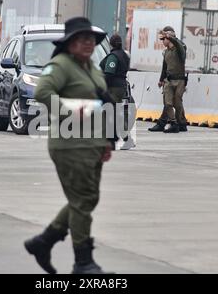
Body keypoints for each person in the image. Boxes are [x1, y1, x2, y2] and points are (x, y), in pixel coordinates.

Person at [24, 17, 113, 274]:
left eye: (92, 39)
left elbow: (100, 104)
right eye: (82, 38)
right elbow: (42, 92)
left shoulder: (92, 68)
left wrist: (106, 140)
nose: (88, 43)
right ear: (70, 43)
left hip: (92, 143)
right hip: (70, 144)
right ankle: (83, 262)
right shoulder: (60, 64)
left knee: (86, 199)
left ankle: (44, 242)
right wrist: (70, 111)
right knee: (83, 200)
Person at [148, 26, 188, 133]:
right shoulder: (166, 52)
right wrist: (161, 79)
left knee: (177, 103)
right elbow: (164, 67)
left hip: (179, 80)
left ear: (169, 38)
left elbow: (180, 47)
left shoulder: (180, 48)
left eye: (163, 39)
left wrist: (171, 38)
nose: (162, 41)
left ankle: (182, 123)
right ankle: (174, 123)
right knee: (168, 103)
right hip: (168, 81)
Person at [99, 33, 136, 150]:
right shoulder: (125, 55)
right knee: (115, 114)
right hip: (121, 86)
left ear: (111, 44)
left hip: (113, 88)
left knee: (111, 114)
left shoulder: (113, 57)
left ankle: (117, 140)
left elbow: (109, 74)